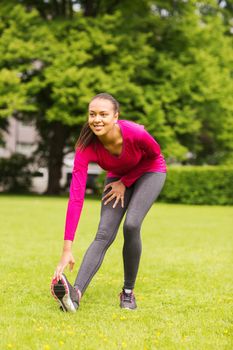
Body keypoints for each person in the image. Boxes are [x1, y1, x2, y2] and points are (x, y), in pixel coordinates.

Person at [50, 93, 167, 312]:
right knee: (103, 233)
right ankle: (74, 296)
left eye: (103, 114)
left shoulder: (135, 132)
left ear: (115, 117)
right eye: (92, 114)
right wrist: (67, 248)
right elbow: (76, 197)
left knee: (131, 224)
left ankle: (128, 292)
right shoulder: (85, 147)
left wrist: (126, 181)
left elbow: (156, 156)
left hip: (150, 171)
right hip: (118, 177)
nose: (97, 119)